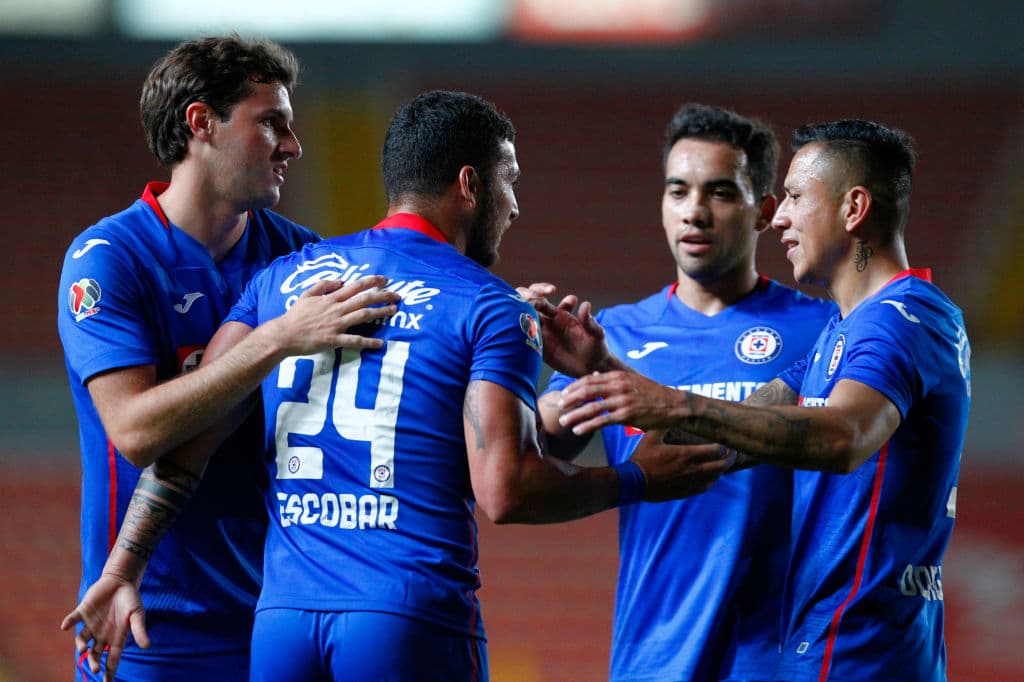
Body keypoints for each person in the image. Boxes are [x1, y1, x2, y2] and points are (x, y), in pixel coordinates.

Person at [64, 90, 736, 682]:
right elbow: (505, 490)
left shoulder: (284, 283)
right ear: (469, 184)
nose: (516, 205)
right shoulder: (487, 305)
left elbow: (187, 446)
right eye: (510, 183)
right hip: (408, 617)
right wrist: (637, 480)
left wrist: (121, 571)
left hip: (283, 623)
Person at [557, 119, 971, 681]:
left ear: (853, 209)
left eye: (796, 197)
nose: (780, 217)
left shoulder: (901, 319)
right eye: (677, 190)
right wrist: (604, 371)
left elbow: (844, 437)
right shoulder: (843, 334)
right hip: (823, 649)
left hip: (868, 655)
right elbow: (737, 430)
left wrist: (677, 405)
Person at [57, 35, 398, 681]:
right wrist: (275, 341)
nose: (294, 146)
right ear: (200, 123)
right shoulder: (109, 259)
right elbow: (133, 430)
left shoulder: (300, 258)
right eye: (272, 124)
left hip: (279, 614)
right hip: (148, 621)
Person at [528, 103, 835, 680]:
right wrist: (515, 352)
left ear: (764, 211)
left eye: (720, 193)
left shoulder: (822, 330)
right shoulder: (612, 334)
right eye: (678, 191)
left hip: (780, 659)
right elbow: (532, 460)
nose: (694, 211)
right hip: (654, 656)